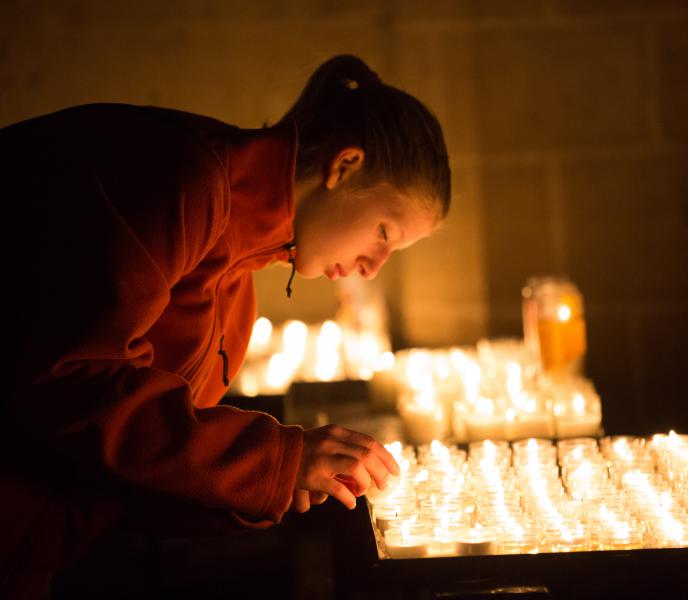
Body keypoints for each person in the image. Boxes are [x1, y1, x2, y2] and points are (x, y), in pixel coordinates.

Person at [0, 54, 450, 597]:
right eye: (384, 231)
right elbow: (66, 380)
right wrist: (276, 459)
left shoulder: (236, 293)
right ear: (344, 167)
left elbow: (142, 472)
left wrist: (279, 483)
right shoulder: (184, 179)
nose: (372, 266)